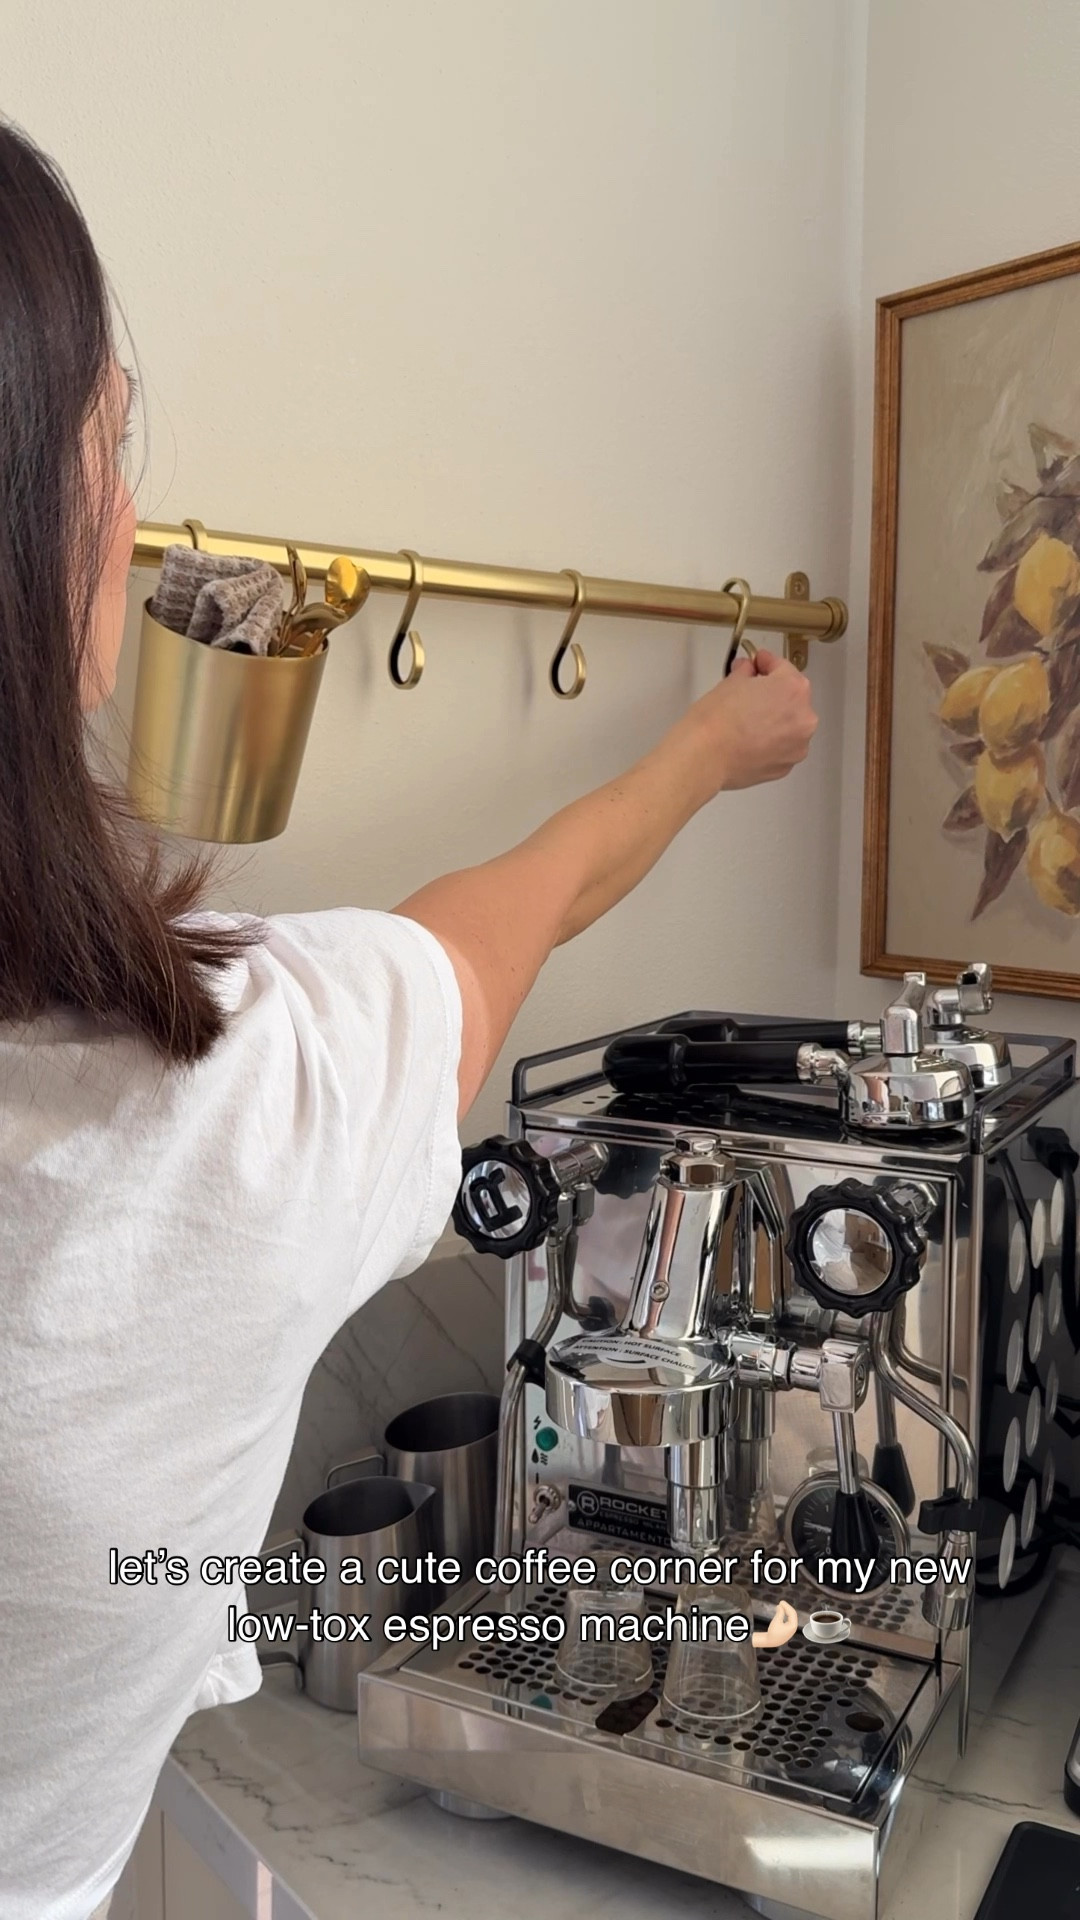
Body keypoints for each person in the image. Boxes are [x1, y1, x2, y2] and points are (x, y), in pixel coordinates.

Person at [0, 119, 818, 1920]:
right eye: (109, 450)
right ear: (53, 538)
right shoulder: (232, 1101)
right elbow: (540, 891)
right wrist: (719, 746)